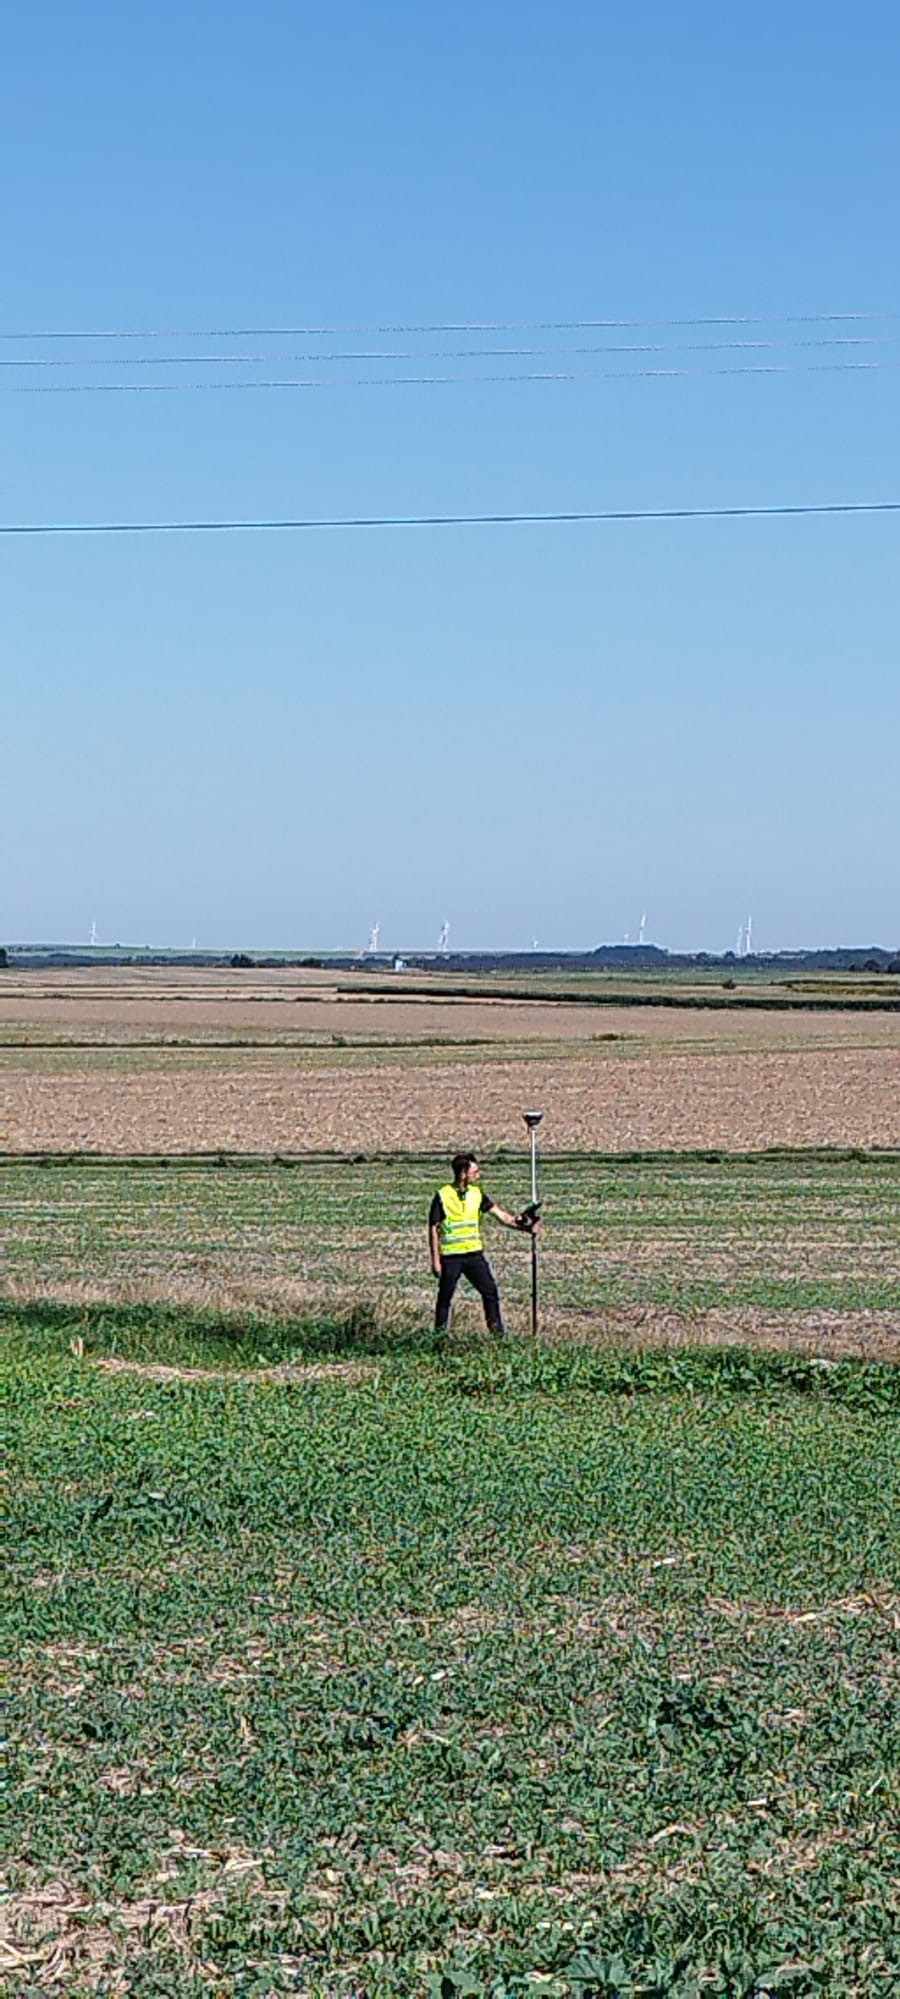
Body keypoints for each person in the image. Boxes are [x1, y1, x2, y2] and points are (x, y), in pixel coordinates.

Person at [428, 1151, 537, 1338]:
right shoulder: (442, 1196)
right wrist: (435, 1261)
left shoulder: (477, 1194)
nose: (478, 1175)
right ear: (463, 1173)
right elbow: (433, 1228)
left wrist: (524, 1226)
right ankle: (439, 1336)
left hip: (474, 1255)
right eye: (475, 1172)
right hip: (451, 1256)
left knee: (490, 1292)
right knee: (445, 1298)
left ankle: (497, 1334)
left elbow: (502, 1216)